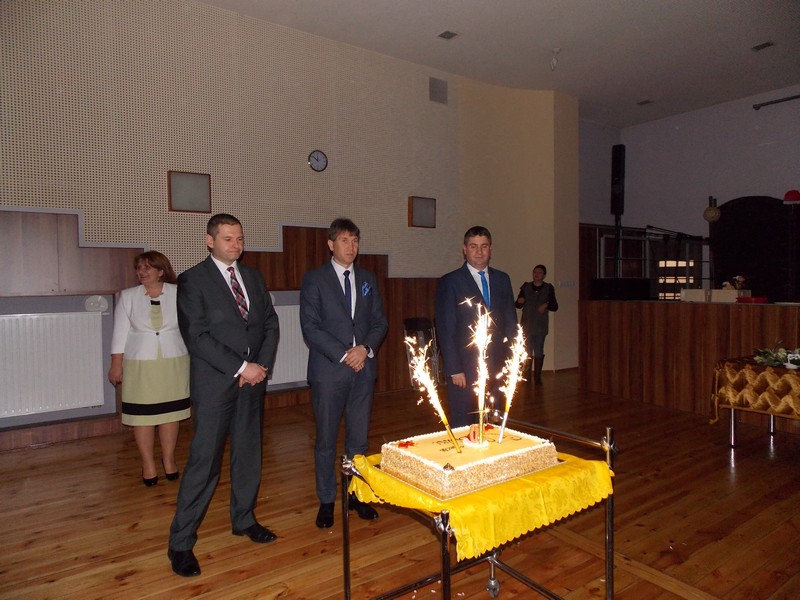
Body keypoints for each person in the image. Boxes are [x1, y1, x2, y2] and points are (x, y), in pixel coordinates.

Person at [167, 213, 280, 578]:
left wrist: (259, 366)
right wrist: (241, 367)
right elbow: (197, 336)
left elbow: (270, 323)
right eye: (228, 238)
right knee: (205, 463)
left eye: (240, 238)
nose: (236, 244)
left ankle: (244, 519)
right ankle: (181, 542)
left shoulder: (253, 277)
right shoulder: (192, 280)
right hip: (216, 384)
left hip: (252, 381)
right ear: (210, 240)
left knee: (248, 455)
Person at [299, 218, 388, 530]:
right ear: (331, 244)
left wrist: (364, 348)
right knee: (326, 439)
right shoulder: (315, 279)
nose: (351, 247)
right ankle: (327, 499)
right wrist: (345, 354)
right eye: (345, 240)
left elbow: (379, 322)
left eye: (355, 240)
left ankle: (356, 494)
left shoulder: (367, 279)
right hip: (329, 371)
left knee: (359, 439)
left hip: (363, 369)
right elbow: (310, 327)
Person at [108, 251, 190, 487]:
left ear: (161, 271)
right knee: (142, 416)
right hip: (140, 363)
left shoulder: (179, 293)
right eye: (139, 268)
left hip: (173, 360)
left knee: (170, 415)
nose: (142, 272)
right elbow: (119, 333)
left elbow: (190, 326)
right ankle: (148, 464)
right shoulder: (128, 296)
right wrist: (116, 364)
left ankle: (169, 459)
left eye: (147, 268)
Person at [435, 226, 517, 428]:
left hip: (498, 367)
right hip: (464, 368)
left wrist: (513, 361)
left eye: (484, 246)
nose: (479, 252)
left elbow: (510, 322)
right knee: (465, 425)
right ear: (465, 249)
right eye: (473, 246)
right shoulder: (451, 281)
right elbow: (446, 329)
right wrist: (454, 368)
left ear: (490, 249)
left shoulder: (502, 279)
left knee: (494, 424)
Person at [515, 264, 558, 385]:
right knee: (527, 350)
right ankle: (527, 376)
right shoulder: (526, 287)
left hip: (540, 325)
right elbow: (517, 305)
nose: (536, 274)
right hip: (527, 324)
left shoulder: (548, 288)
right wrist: (520, 301)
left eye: (539, 273)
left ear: (544, 275)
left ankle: (537, 377)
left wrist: (546, 305)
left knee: (538, 350)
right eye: (535, 272)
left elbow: (555, 306)